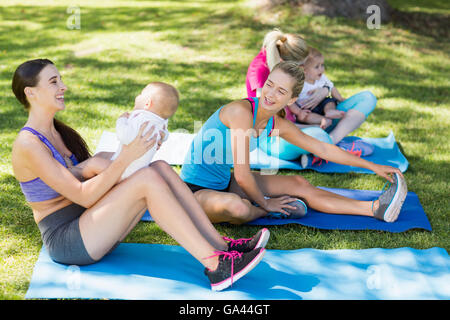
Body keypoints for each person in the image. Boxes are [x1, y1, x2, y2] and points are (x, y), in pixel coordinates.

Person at [10, 59, 268, 291]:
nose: (63, 86)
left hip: (93, 226)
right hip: (69, 241)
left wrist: (137, 150)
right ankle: (216, 266)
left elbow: (91, 171)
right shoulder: (28, 143)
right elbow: (83, 195)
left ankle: (221, 247)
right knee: (146, 179)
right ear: (30, 92)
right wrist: (125, 158)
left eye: (61, 80)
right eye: (54, 81)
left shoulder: (58, 132)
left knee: (159, 167)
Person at [181, 61, 407, 225]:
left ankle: (374, 208)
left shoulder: (275, 123)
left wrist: (373, 166)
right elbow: (242, 175)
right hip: (193, 192)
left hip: (224, 183)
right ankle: (263, 210)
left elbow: (322, 148)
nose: (270, 94)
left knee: (299, 183)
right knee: (238, 207)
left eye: (280, 91)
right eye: (269, 85)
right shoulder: (241, 112)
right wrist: (266, 203)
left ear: (291, 100)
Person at [246, 29, 377, 161]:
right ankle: (328, 147)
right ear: (283, 59)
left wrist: (325, 90)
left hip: (307, 122)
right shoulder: (260, 72)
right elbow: (272, 123)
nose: (303, 68)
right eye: (301, 65)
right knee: (318, 134)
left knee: (367, 98)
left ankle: (329, 144)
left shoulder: (284, 56)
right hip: (277, 137)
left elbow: (317, 81)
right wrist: (314, 125)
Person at [111, 82, 177, 180]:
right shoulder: (161, 122)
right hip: (140, 170)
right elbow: (165, 135)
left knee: (94, 164)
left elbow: (124, 137)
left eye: (141, 94)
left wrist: (121, 120)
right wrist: (163, 136)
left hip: (123, 170)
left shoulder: (141, 118)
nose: (137, 96)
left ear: (147, 103)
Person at [288, 47, 346, 130]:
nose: (321, 69)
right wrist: (298, 111)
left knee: (329, 100)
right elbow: (290, 101)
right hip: (306, 109)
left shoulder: (322, 78)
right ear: (304, 69)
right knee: (304, 117)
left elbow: (332, 87)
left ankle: (329, 111)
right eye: (317, 67)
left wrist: (340, 98)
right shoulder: (298, 83)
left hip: (322, 105)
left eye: (322, 65)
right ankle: (323, 120)